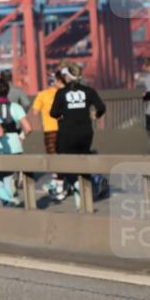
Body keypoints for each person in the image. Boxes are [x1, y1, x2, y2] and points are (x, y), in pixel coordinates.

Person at [50, 63, 106, 205]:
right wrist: (96, 114)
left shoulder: (61, 93)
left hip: (67, 133)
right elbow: (101, 107)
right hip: (85, 132)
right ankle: (84, 198)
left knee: (65, 163)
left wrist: (64, 113)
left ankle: (77, 186)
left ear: (68, 76)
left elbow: (53, 113)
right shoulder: (89, 91)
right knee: (84, 162)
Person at [0, 78, 33, 206]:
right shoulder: (15, 107)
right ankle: (8, 206)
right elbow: (28, 128)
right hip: (15, 145)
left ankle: (8, 201)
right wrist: (21, 137)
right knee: (8, 179)